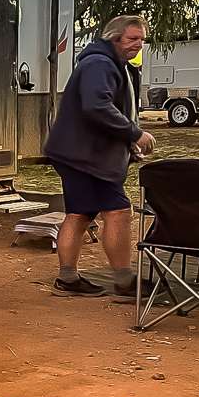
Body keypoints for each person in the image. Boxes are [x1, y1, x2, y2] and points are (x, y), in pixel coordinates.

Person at [44, 15, 156, 297]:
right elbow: (96, 107)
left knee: (79, 214)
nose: (138, 45)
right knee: (118, 211)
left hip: (80, 153)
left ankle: (68, 279)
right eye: (132, 39)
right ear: (114, 38)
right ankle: (123, 280)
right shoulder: (100, 64)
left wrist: (126, 147)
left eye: (141, 39)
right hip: (83, 156)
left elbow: (104, 111)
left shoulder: (107, 63)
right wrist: (133, 134)